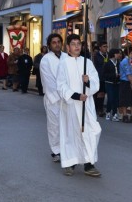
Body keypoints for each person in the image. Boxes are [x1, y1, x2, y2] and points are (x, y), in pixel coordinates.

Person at [56, 34, 101, 177]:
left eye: (78, 44)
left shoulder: (87, 62)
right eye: (73, 44)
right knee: (72, 134)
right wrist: (75, 95)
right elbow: (61, 85)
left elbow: (96, 82)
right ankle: (71, 163)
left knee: (92, 131)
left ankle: (89, 163)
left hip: (86, 104)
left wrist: (87, 82)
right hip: (70, 104)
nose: (76, 46)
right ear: (68, 47)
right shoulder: (63, 64)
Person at [40, 34, 64, 162]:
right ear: (49, 45)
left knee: (66, 126)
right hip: (53, 98)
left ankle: (66, 149)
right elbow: (48, 81)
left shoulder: (67, 57)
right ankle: (56, 151)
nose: (57, 44)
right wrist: (61, 94)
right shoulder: (46, 60)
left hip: (68, 98)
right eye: (54, 42)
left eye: (59, 42)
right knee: (54, 126)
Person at [118, 46, 132, 123]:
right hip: (126, 82)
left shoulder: (131, 61)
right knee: (125, 99)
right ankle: (125, 115)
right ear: (130, 52)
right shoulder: (125, 61)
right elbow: (128, 74)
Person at [103, 48, 121, 122]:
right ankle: (110, 113)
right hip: (109, 83)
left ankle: (112, 113)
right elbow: (104, 74)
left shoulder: (119, 62)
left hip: (117, 83)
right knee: (111, 98)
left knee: (116, 98)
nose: (119, 55)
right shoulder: (107, 62)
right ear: (114, 54)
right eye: (118, 53)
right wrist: (114, 75)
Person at [93, 42, 108, 117]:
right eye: (104, 46)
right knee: (99, 94)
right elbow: (100, 63)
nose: (105, 48)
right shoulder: (97, 56)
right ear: (100, 48)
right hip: (99, 77)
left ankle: (100, 107)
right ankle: (98, 109)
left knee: (103, 94)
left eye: (106, 46)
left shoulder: (107, 55)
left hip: (106, 77)